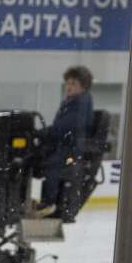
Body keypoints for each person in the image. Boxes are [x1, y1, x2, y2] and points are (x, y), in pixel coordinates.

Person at [35, 65, 95, 218]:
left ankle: (49, 203)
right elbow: (58, 126)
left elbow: (68, 126)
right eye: (68, 83)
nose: (69, 86)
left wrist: (44, 133)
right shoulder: (70, 101)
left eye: (73, 83)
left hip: (71, 149)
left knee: (53, 163)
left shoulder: (81, 102)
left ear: (83, 86)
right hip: (64, 144)